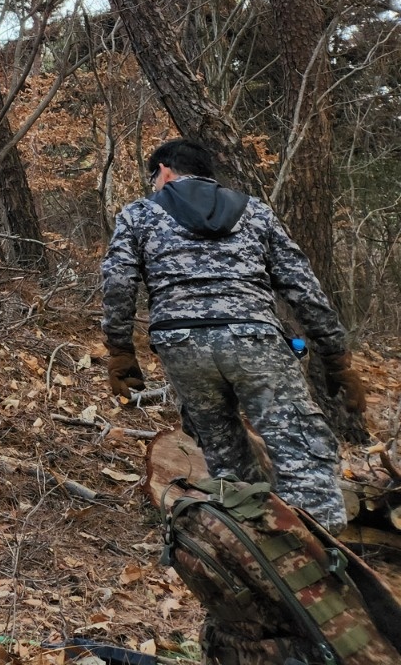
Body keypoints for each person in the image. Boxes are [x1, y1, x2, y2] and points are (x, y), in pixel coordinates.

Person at [101, 138, 365, 530]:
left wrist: (121, 351)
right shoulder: (255, 212)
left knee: (225, 459)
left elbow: (118, 282)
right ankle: (325, 557)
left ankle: (257, 550)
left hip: (180, 345)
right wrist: (335, 356)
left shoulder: (138, 214)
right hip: (254, 340)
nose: (153, 186)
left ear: (165, 172)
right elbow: (302, 286)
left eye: (152, 177)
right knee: (300, 448)